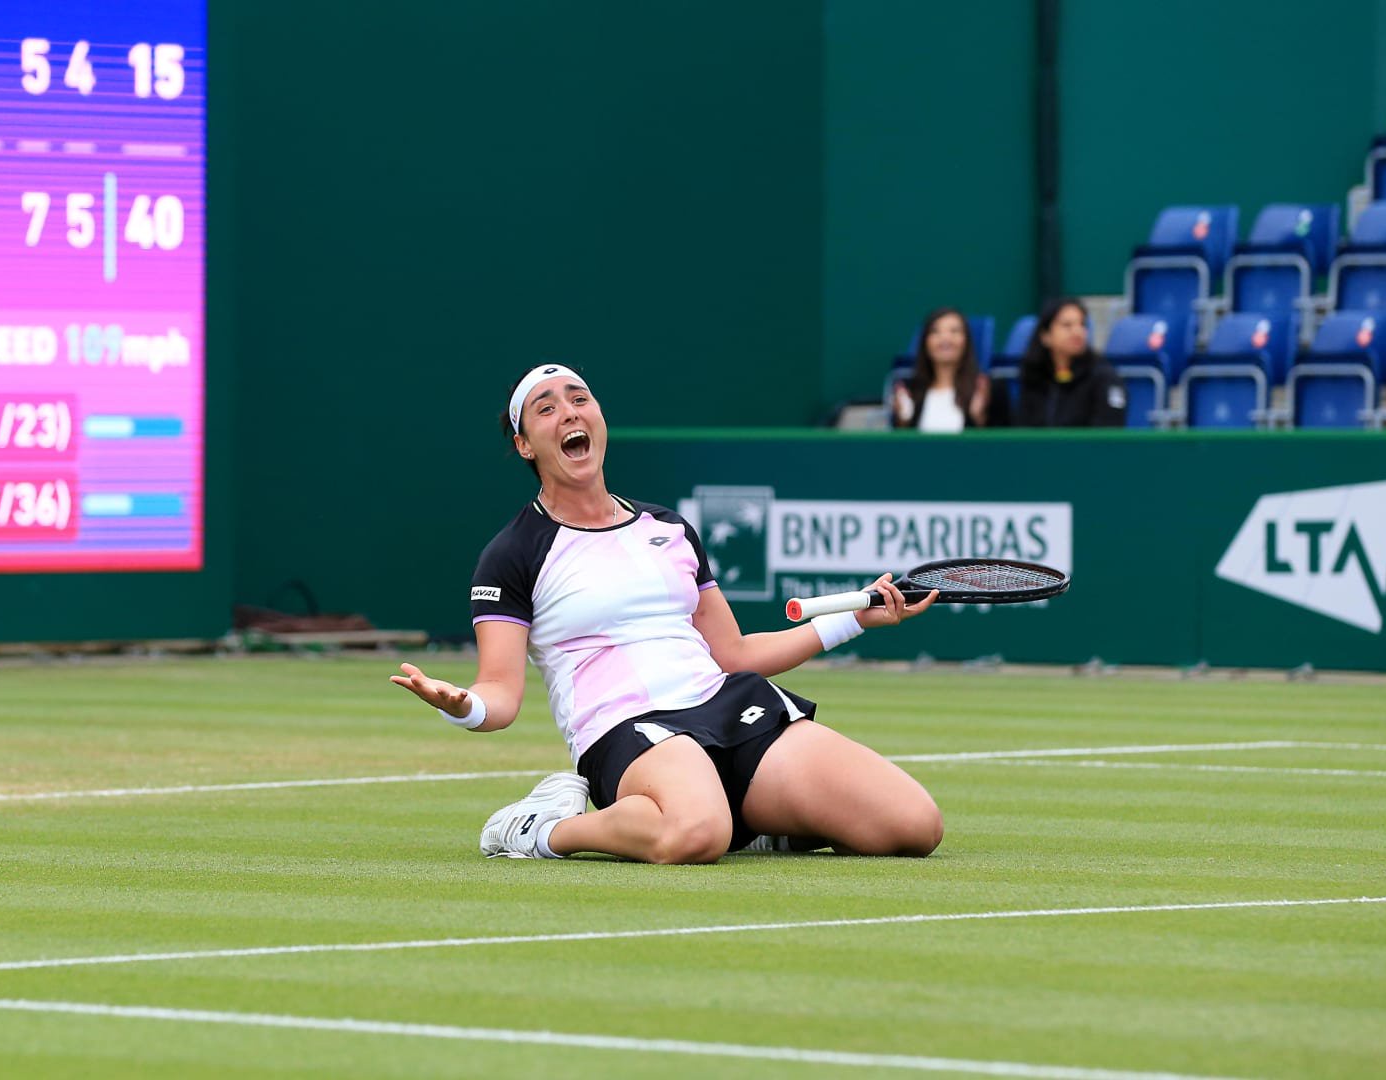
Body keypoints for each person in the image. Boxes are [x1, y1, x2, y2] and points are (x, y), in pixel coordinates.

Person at [388, 363, 944, 864]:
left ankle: (762, 818)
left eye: (579, 398)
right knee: (696, 834)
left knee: (913, 826)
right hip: (625, 728)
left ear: (599, 419)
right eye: (547, 407)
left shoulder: (670, 529)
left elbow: (736, 654)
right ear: (525, 444)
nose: (568, 413)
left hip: (727, 703)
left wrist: (853, 619)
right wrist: (462, 706)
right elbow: (501, 697)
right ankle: (545, 828)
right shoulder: (510, 555)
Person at [1015, 298, 1127, 427]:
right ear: (1046, 336)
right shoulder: (1034, 375)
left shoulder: (1105, 377)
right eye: (1067, 325)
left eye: (1082, 325)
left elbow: (1108, 434)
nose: (1077, 332)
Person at [892, 308, 990, 432]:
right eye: (935, 331)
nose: (945, 338)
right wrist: (903, 422)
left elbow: (1003, 443)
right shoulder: (910, 390)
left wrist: (980, 419)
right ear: (925, 342)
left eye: (954, 331)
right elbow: (902, 445)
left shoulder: (984, 389)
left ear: (967, 341)